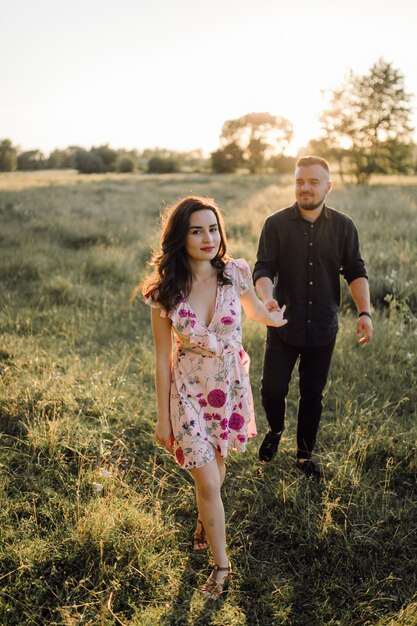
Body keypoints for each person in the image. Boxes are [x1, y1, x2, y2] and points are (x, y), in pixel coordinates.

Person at [142, 195, 287, 600]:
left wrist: (271, 315)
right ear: (179, 237)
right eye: (196, 230)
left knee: (215, 476)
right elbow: (160, 358)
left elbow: (254, 310)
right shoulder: (165, 292)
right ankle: (222, 568)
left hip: (228, 391)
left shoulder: (235, 274)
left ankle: (207, 518)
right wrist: (162, 418)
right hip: (187, 393)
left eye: (213, 228)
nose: (208, 238)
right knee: (207, 478)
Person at [254, 156, 373, 481]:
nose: (304, 187)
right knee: (272, 390)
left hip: (323, 326)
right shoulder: (275, 224)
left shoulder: (344, 226)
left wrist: (365, 312)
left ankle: (304, 457)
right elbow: (263, 267)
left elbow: (355, 270)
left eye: (313, 182)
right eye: (299, 181)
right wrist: (267, 299)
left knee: (312, 395)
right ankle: (276, 429)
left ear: (328, 187)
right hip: (283, 324)